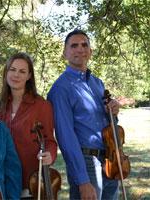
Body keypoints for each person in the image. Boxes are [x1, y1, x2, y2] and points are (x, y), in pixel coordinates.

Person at [47, 29, 121, 200]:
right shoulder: (60, 89)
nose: (80, 49)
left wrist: (113, 111)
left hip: (110, 161)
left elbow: (107, 123)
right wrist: (83, 181)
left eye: (84, 44)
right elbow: (66, 138)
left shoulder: (97, 83)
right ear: (65, 53)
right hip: (86, 162)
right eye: (74, 46)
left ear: (90, 51)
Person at [0, 52, 58, 198]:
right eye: (12, 69)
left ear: (29, 76)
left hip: (31, 181)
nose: (16, 75)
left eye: (22, 71)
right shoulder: (1, 104)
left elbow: (50, 141)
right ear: (6, 72)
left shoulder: (42, 105)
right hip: (5, 179)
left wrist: (50, 155)